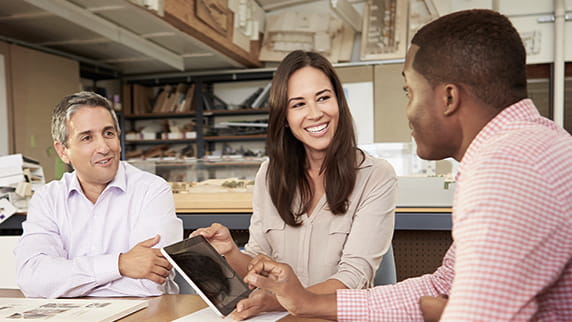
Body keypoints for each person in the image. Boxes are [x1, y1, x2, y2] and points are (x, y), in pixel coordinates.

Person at [242, 9, 572, 321]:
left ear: (448, 98)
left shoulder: (505, 170)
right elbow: (442, 287)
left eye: (409, 91)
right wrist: (309, 302)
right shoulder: (533, 144)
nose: (408, 111)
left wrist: (443, 312)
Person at [192, 50, 397, 319]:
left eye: (323, 98)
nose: (315, 113)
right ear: (285, 117)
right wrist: (230, 252)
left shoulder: (376, 175)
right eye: (298, 104)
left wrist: (275, 301)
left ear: (339, 103)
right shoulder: (269, 174)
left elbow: (352, 279)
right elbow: (258, 261)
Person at [15, 91, 184, 298]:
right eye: (87, 138)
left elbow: (149, 284)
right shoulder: (47, 199)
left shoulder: (152, 190)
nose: (104, 147)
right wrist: (120, 264)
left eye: (108, 133)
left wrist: (67, 284)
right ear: (63, 151)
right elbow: (33, 280)